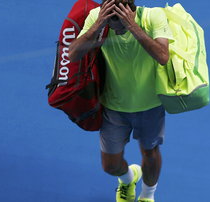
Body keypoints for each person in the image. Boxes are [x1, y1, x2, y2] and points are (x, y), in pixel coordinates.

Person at [69, 0, 173, 201]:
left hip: (150, 104)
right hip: (113, 106)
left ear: (130, 14)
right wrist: (98, 25)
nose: (114, 30)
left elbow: (162, 56)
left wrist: (133, 28)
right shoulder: (98, 18)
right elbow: (73, 54)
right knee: (110, 166)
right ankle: (128, 179)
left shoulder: (153, 17)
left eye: (119, 25)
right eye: (110, 24)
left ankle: (147, 196)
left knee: (150, 153)